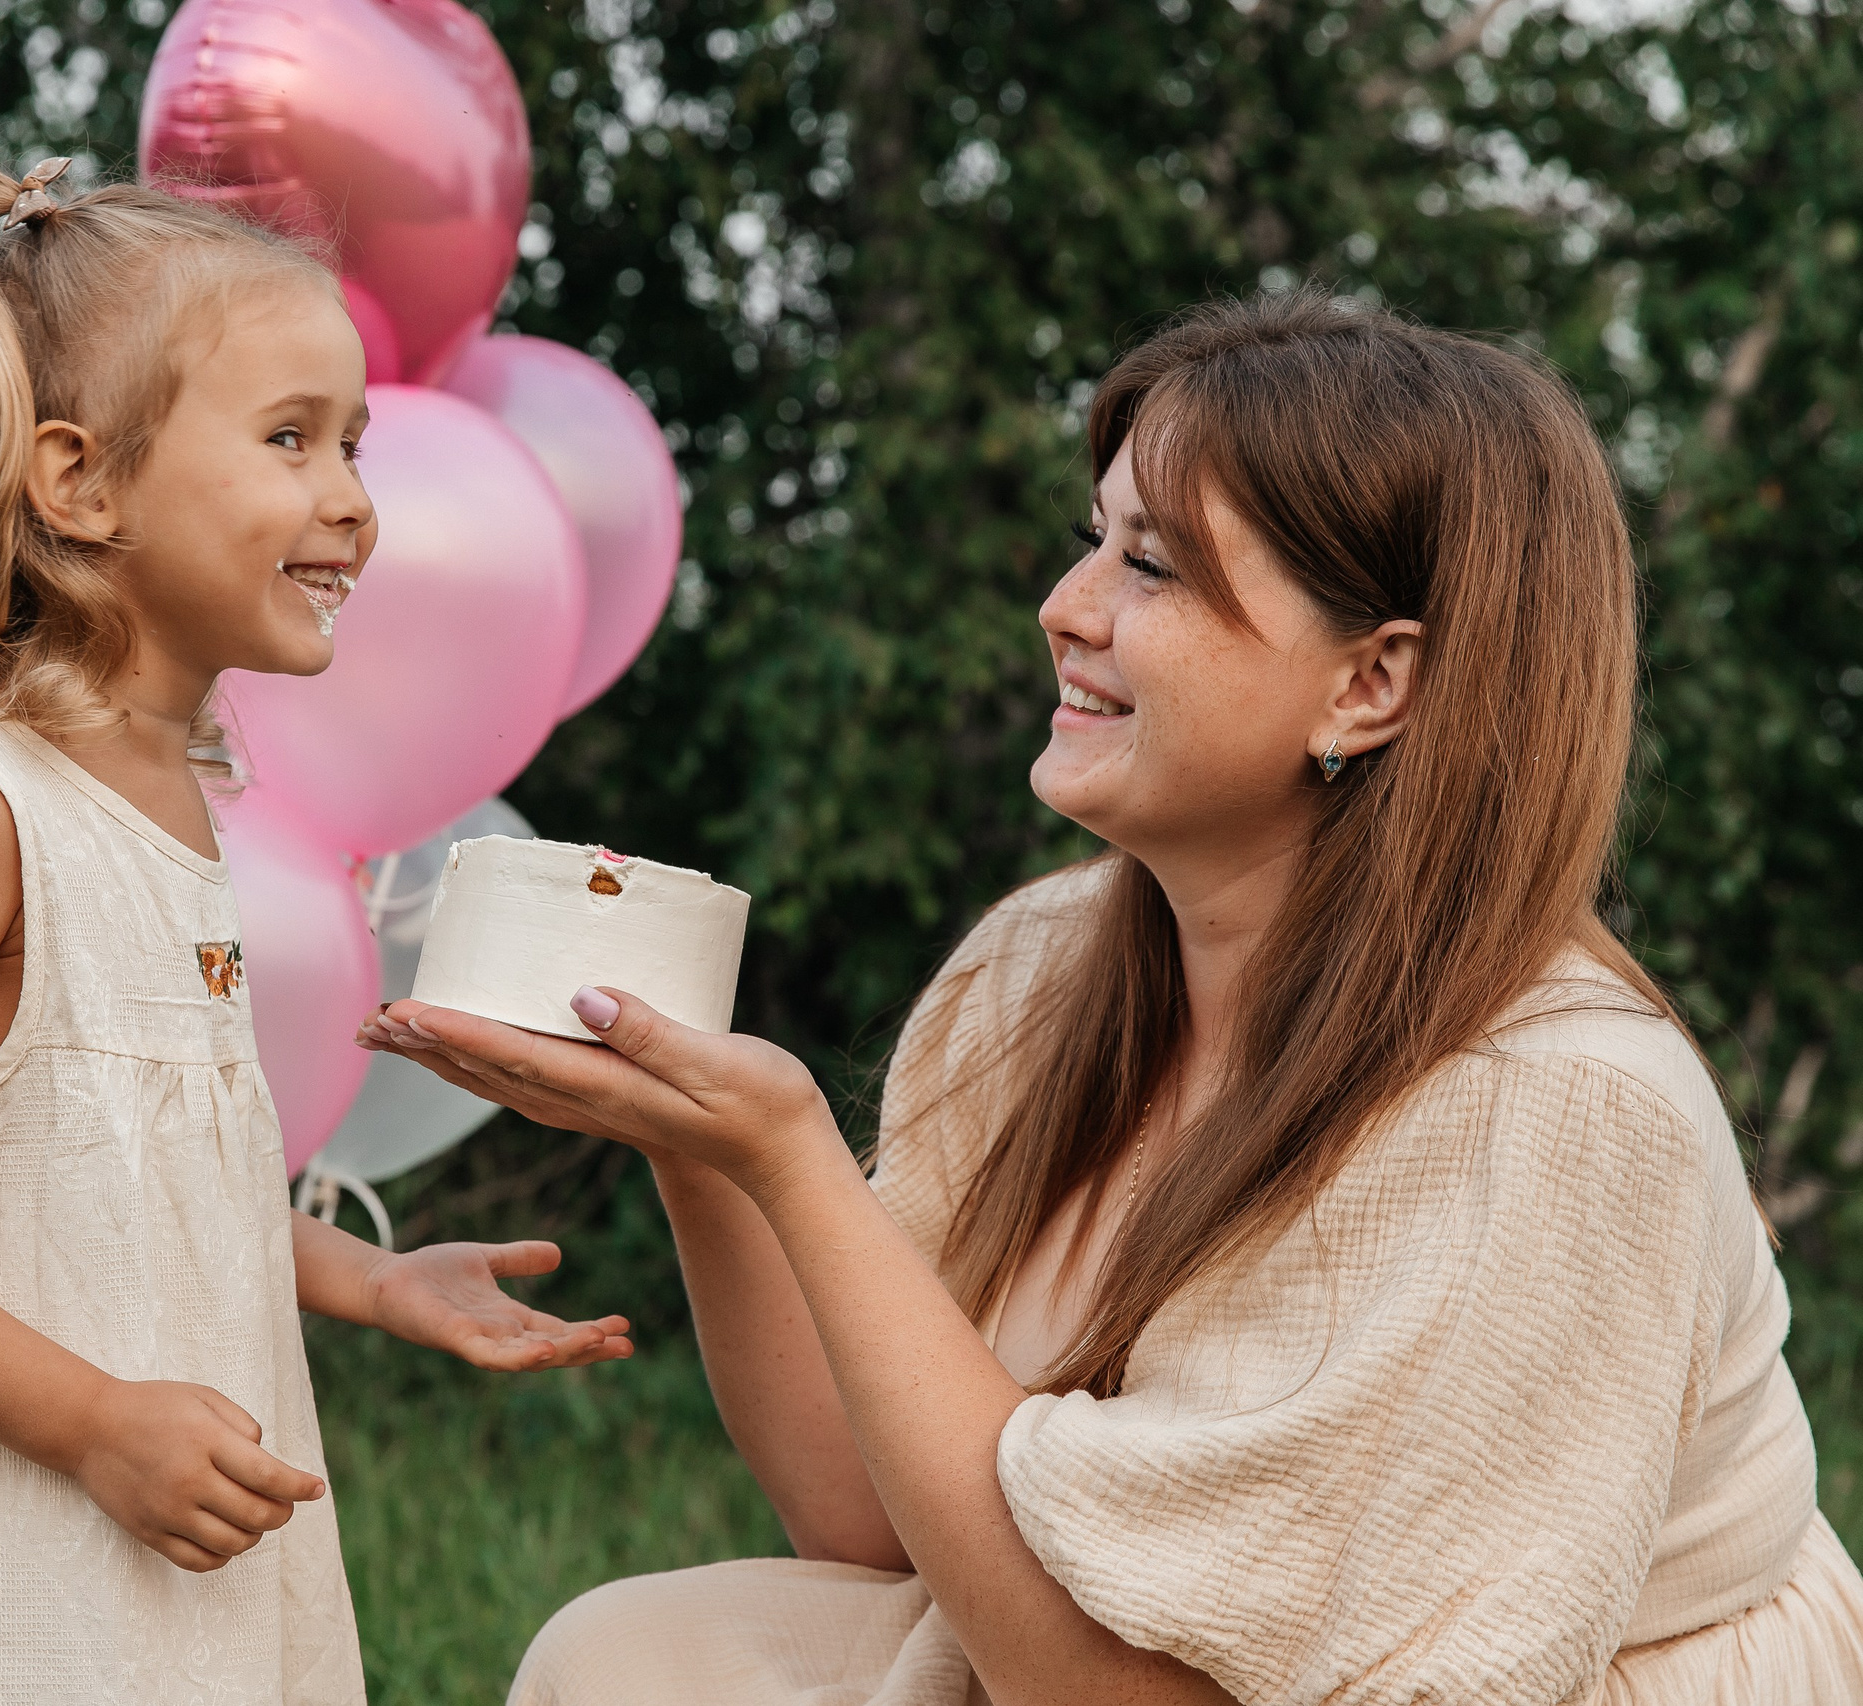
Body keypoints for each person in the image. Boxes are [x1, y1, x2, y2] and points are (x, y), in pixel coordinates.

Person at [364, 289, 1863, 1705]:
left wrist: (795, 1152)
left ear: (1371, 686)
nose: (1063, 607)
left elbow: (1142, 1694)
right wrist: (703, 1142)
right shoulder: (1040, 966)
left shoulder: (1551, 1112)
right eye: (1096, 540)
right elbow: (874, 1515)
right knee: (621, 1657)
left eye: (1151, 565)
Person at [0, 157, 630, 1706]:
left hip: (124, 1534)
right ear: (81, 481)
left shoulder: (176, 813)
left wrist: (374, 1283)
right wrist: (92, 1420)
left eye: (356, 441)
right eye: (291, 437)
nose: (355, 498)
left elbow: (146, 1171)